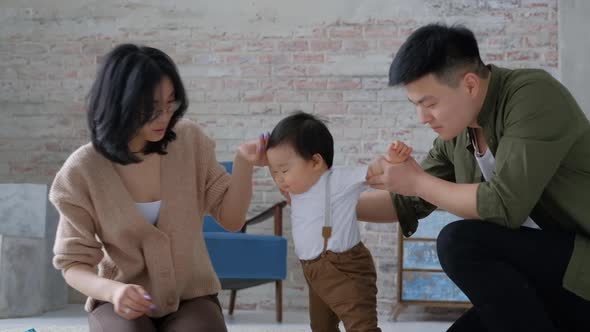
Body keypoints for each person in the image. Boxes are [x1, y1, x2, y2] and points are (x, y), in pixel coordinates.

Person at [364, 23, 590, 332]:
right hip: (544, 280)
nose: (422, 118)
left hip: (582, 272)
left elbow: (504, 204)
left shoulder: (533, 95)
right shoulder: (459, 134)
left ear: (470, 85)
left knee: (459, 242)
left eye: (430, 104)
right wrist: (323, 200)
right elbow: (405, 201)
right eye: (416, 106)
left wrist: (415, 181)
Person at [49, 44, 267, 332]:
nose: (164, 117)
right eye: (151, 109)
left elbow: (231, 219)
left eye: (170, 104)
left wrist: (244, 163)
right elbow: (73, 265)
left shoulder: (189, 140)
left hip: (191, 297)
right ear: (119, 102)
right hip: (119, 300)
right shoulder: (81, 171)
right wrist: (113, 292)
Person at [265, 111, 411, 332]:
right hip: (313, 271)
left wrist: (391, 159)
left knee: (361, 325)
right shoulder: (295, 190)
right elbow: (281, 174)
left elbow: (373, 171)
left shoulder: (337, 181)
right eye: (274, 172)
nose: (279, 178)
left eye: (284, 170)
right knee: (321, 327)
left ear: (315, 162)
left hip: (344, 268)